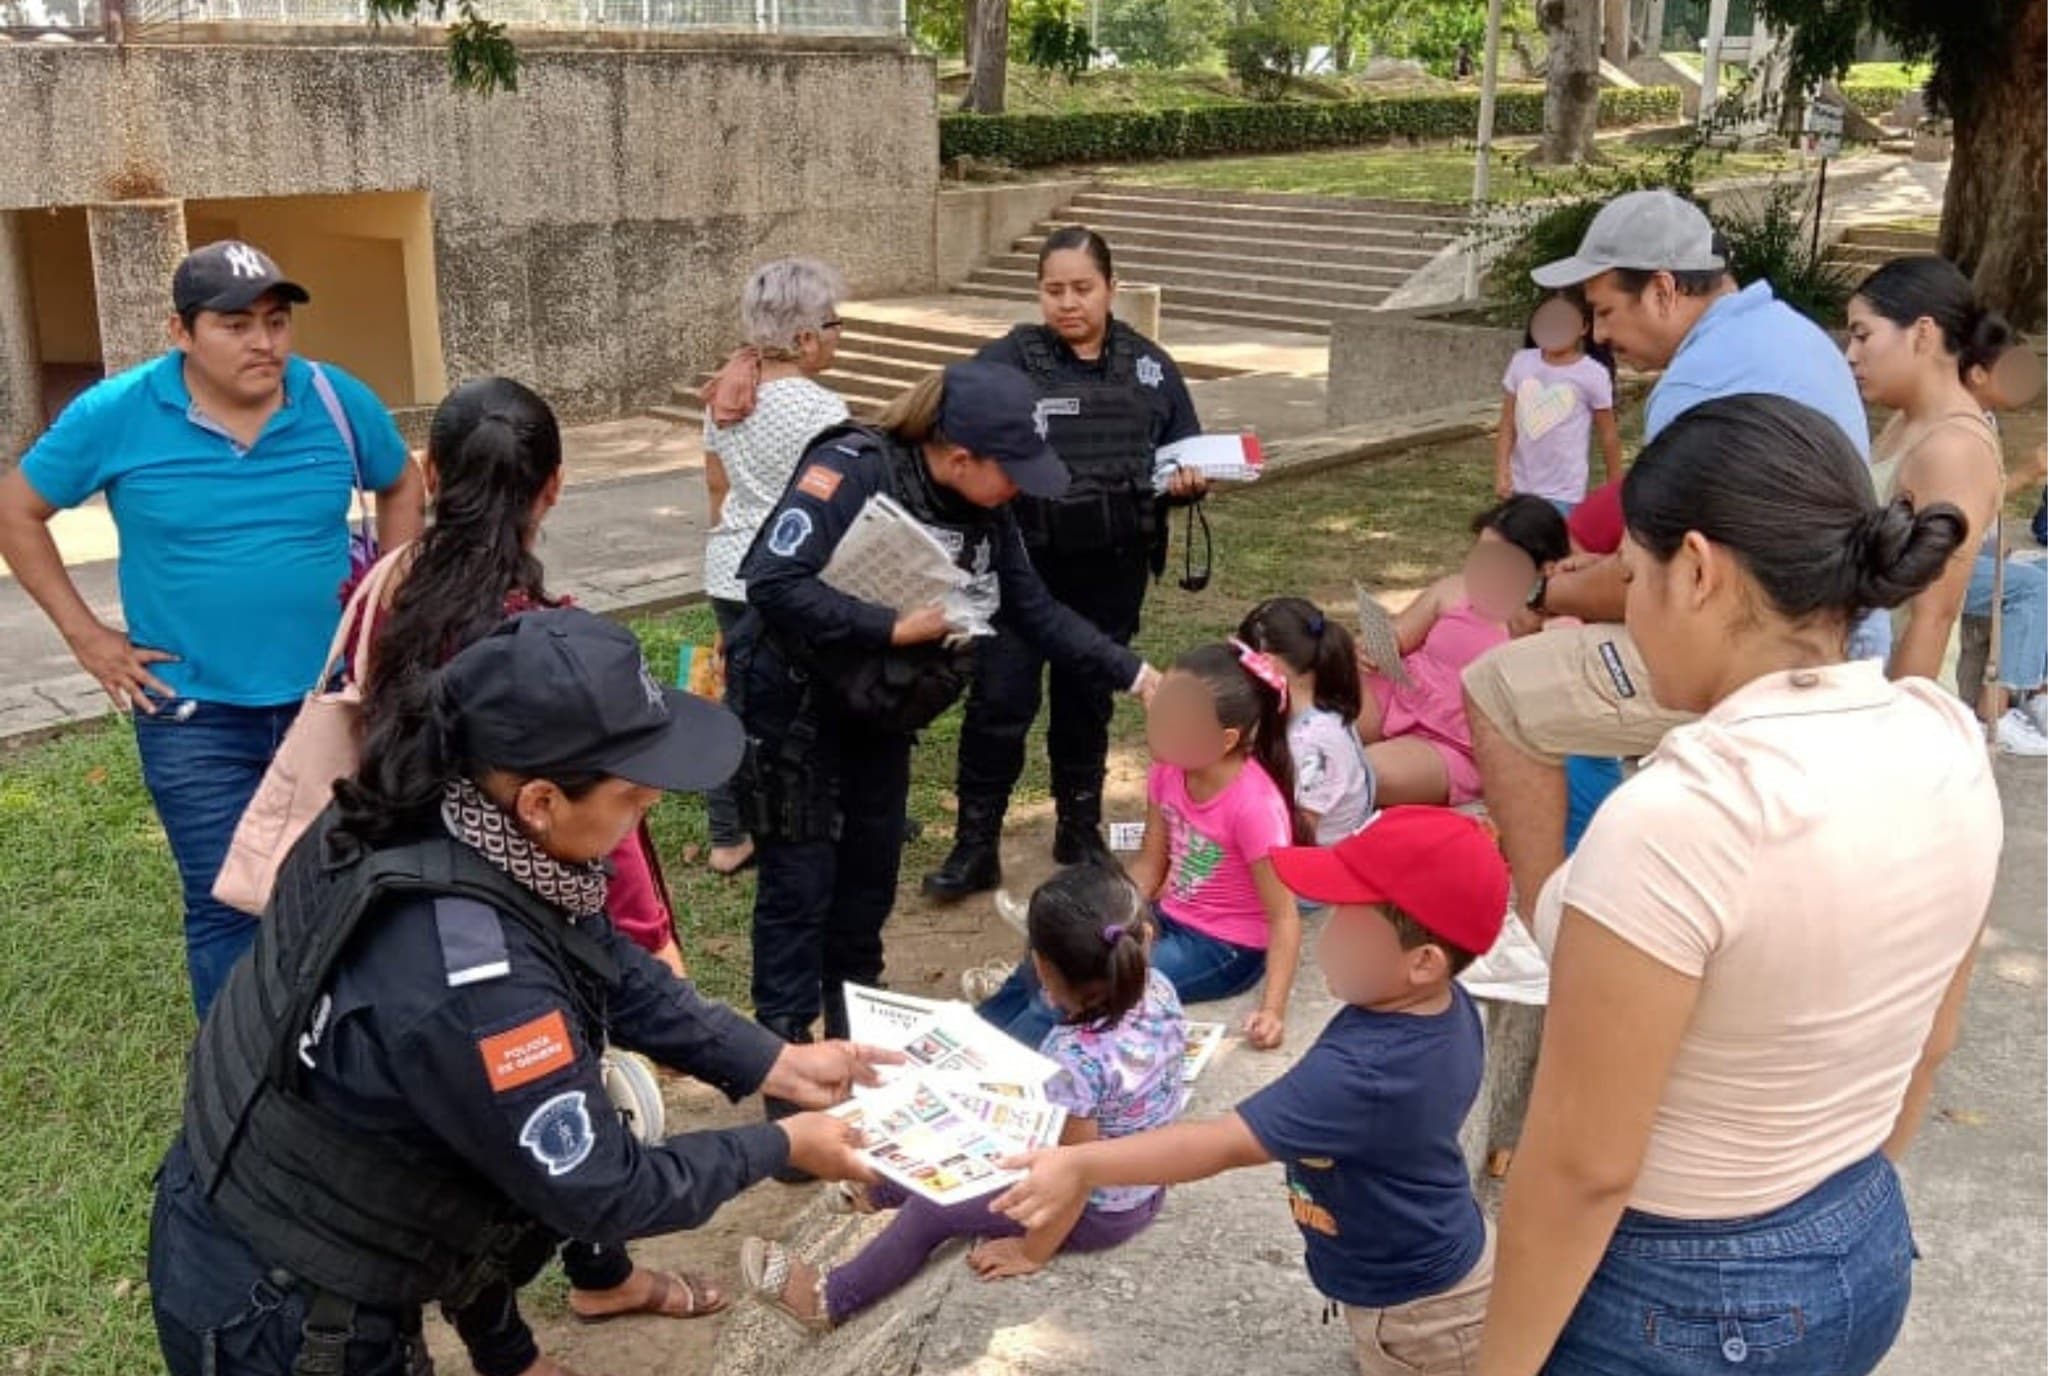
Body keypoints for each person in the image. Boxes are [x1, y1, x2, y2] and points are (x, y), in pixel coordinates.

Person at [148, 608, 897, 1376]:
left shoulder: (420, 805)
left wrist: (774, 1062)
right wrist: (782, 1143)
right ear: (540, 801)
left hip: (260, 1207)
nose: (651, 813)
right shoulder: (479, 988)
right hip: (286, 1318)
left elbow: (599, 957)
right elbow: (603, 1189)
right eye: (634, 800)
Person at [1474, 395, 2000, 1376]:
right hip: (1860, 1233)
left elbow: (1582, 1166)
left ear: (1700, 571)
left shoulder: (1685, 815)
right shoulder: (1940, 733)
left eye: (1634, 574)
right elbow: (1933, 1038)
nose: (1626, 605)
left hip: (1677, 1296)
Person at [350, 379, 717, 1346]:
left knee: (473, 1123)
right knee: (559, 1103)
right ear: (554, 488)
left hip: (414, 896)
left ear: (430, 475)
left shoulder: (381, 589)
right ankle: (575, 1289)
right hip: (523, 915)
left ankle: (535, 1317)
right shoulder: (545, 637)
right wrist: (647, 939)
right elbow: (609, 822)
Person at [725, 360, 1160, 1141]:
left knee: (865, 889)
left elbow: (1032, 608)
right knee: (798, 895)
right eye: (1011, 473)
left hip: (876, 714)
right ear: (959, 456)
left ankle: (854, 1059)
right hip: (794, 712)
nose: (1020, 489)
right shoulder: (849, 468)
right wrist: (889, 629)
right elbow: (770, 580)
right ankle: (792, 1100)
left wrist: (1141, 677)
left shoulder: (988, 514)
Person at [0, 240, 425, 1017]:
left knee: (349, 879)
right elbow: (17, 509)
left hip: (329, 703)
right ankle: (242, 1088)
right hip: (193, 711)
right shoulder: (116, 413)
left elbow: (401, 482)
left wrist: (384, 602)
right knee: (226, 902)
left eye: (276, 320)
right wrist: (87, 638)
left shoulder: (334, 399)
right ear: (181, 332)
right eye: (236, 324)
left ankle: (344, 1050)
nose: (264, 342)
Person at [1457, 191, 1871, 915]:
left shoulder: (1697, 381)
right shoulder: (1789, 333)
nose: (1598, 335)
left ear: (1663, 288)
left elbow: (1662, 582)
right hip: (1834, 629)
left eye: (1606, 312)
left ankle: (1542, 926)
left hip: (1764, 658)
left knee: (1498, 687)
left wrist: (1538, 597)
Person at [994, 808, 1511, 1376]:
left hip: (1423, 1317)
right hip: (1423, 1266)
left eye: (1348, 921)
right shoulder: (1444, 1008)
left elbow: (1221, 1144)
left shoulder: (1361, 1075)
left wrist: (1080, 1164)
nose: (1326, 936)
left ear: (1422, 962)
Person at [739, 863, 1188, 1329]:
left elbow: (1074, 1174)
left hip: (1100, 1210)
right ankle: (878, 1189)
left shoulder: (1074, 1057)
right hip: (1140, 1181)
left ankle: (829, 1299)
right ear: (1146, 939)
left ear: (1040, 967)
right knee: (981, 1136)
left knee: (933, 1210)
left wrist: (1032, 1250)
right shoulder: (1159, 989)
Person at [923, 227, 1207, 903]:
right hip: (1021, 571)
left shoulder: (1149, 366)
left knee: (1087, 702)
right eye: (1053, 290)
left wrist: (1194, 478)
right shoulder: (1009, 360)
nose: (1067, 303)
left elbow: (1186, 447)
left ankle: (1079, 832)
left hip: (1111, 569)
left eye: (1082, 288)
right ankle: (975, 847)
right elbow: (942, 427)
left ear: (1111, 288)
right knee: (1000, 704)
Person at [974, 641, 1307, 1054]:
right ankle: (969, 1036)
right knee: (1053, 954)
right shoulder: (1168, 770)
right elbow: (1150, 864)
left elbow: (1284, 917)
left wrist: (1274, 1010)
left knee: (1083, 985)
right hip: (1166, 916)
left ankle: (995, 1066)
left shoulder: (1256, 807)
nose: (1157, 726)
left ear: (1225, 740)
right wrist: (1100, 917)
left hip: (1225, 949)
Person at [698, 258, 852, 877]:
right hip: (795, 574)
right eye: (836, 324)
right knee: (810, 702)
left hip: (730, 568)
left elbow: (716, 488)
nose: (841, 336)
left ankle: (727, 832)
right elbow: (839, 508)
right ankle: (810, 817)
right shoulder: (823, 410)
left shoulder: (726, 397)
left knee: (736, 701)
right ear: (808, 337)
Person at [1845, 256, 2010, 695]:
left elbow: (1933, 615)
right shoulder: (1907, 421)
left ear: (1922, 333)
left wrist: (1893, 733)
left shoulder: (1953, 448)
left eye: (1863, 335)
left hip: (1900, 701)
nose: (1851, 354)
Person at [1359, 497, 1569, 808]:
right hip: (1402, 692)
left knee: (1366, 773)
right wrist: (1378, 645)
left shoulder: (1560, 629)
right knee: (1312, 720)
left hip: (1457, 743)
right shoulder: (1456, 589)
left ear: (1545, 570)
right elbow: (1398, 636)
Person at [1238, 596, 1376, 844]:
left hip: (1317, 864)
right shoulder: (1312, 714)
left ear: (1267, 664)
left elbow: (1299, 835)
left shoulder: (1314, 742)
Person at [1494, 289, 1621, 513]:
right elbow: (1507, 424)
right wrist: (1502, 469)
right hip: (1520, 487)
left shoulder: (1592, 374)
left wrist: (1614, 486)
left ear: (1583, 327)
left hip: (1565, 494)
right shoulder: (1521, 362)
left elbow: (1608, 435)